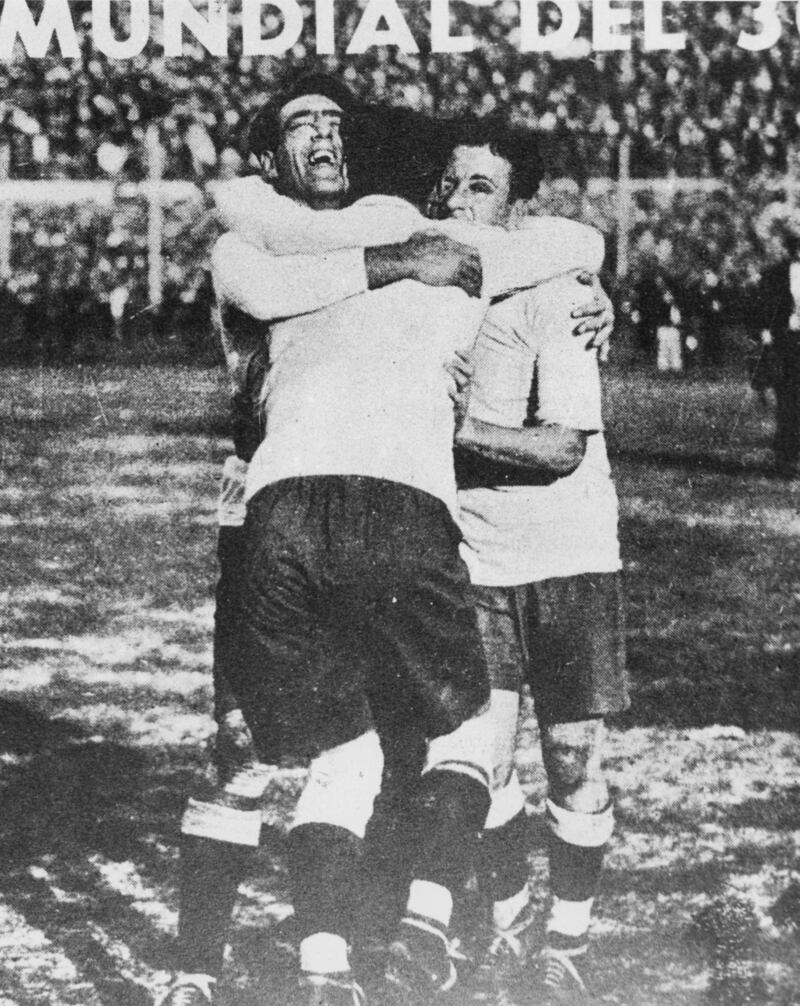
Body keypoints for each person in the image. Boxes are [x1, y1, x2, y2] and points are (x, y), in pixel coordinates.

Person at [159, 74, 608, 1006]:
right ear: (269, 155)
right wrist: (411, 259)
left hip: (325, 508)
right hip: (262, 510)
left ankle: (353, 948)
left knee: (368, 747)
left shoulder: (393, 226)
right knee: (245, 753)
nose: (325, 138)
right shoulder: (253, 237)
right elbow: (284, 267)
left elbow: (569, 242)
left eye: (336, 124)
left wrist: (582, 282)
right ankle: (199, 968)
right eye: (301, 126)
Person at [428, 117, 628, 1004]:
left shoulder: (559, 288)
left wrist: (454, 430)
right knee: (486, 759)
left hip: (569, 552)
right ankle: (509, 926)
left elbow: (559, 449)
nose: (457, 201)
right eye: (450, 183)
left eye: (480, 186)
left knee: (574, 755)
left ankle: (569, 944)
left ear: (518, 210)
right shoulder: (422, 290)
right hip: (473, 554)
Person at [756, 239, 800, 479]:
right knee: (788, 398)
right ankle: (786, 457)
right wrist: (765, 330)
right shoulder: (776, 274)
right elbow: (763, 304)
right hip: (787, 341)